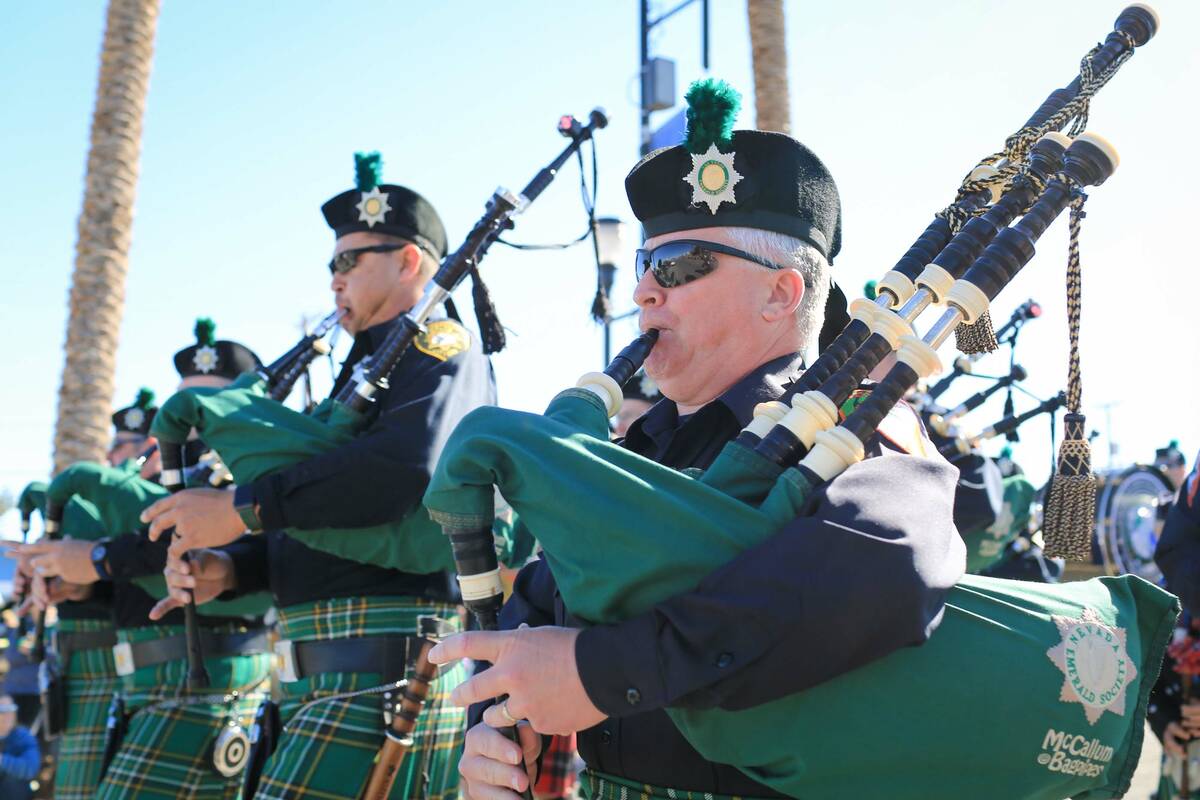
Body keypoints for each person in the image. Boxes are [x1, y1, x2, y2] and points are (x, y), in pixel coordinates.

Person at [429, 80, 964, 799]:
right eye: (645, 265)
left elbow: (885, 572)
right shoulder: (639, 448)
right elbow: (541, 596)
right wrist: (493, 731)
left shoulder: (857, 425)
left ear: (781, 293)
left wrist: (602, 673)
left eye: (677, 265)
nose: (644, 291)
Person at [146, 152, 498, 799]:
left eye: (348, 261)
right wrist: (232, 568)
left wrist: (241, 507)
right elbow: (313, 521)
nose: (334, 279)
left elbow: (404, 473)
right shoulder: (353, 374)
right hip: (319, 679)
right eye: (330, 263)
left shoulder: (440, 350)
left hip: (383, 672)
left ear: (408, 261)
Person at [8, 320, 272, 800]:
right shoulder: (166, 467)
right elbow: (141, 561)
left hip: (205, 674)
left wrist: (97, 558)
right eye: (183, 396)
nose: (186, 412)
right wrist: (81, 582)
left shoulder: (247, 466)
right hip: (139, 679)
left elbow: (174, 545)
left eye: (204, 398)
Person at [0, 694, 38, 800]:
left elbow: (31, 768)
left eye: (12, 708)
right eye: (2, 710)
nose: (8, 714)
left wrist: (2, 760)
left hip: (16, 795)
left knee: (12, 781)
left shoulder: (24, 736)